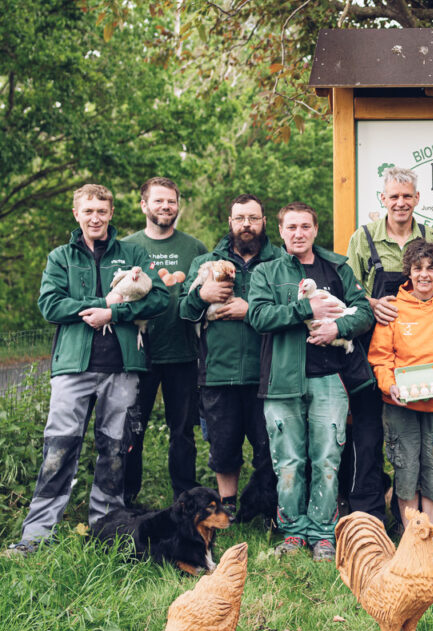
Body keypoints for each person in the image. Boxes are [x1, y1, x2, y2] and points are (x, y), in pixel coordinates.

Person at [4, 184, 169, 557]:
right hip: (72, 368)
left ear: (111, 214)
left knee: (114, 451)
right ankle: (37, 534)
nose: (95, 217)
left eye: (102, 210)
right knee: (58, 447)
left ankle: (106, 529)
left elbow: (159, 297)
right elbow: (50, 305)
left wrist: (115, 313)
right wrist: (100, 303)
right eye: (88, 210)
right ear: (76, 214)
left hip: (123, 367)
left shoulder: (132, 252)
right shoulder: (61, 257)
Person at [248, 202, 374, 560]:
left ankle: (322, 533)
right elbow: (257, 316)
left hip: (330, 378)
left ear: (315, 230)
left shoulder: (337, 267)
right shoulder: (266, 272)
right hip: (281, 381)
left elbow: (363, 311)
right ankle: (291, 531)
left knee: (327, 458)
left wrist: (338, 326)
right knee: (287, 461)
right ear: (282, 231)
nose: (298, 233)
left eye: (305, 227)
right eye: (291, 227)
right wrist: (306, 310)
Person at [345, 167, 433, 522]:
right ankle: (369, 514)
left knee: (431, 453)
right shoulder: (363, 237)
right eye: (393, 196)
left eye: (406, 196)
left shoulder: (431, 235)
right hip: (377, 342)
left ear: (417, 199)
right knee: (374, 440)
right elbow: (349, 291)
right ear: (382, 200)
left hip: (427, 364)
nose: (400, 203)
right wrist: (374, 305)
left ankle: (422, 529)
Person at [179, 193, 282, 521]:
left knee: (269, 445)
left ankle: (266, 504)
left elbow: (292, 309)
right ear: (230, 223)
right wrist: (201, 294)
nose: (247, 225)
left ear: (264, 222)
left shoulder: (280, 261)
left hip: (268, 370)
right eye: (240, 219)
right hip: (218, 371)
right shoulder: (206, 262)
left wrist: (250, 310)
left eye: (253, 218)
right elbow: (184, 310)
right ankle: (230, 504)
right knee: (223, 447)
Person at [367, 240, 433, 546]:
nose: (425, 275)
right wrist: (391, 386)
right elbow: (380, 358)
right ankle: (411, 543)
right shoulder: (394, 307)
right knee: (405, 470)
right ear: (409, 272)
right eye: (418, 268)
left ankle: (429, 542)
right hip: (400, 405)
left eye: (431, 268)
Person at [122, 177, 208, 503]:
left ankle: (184, 501)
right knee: (133, 431)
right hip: (138, 355)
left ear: (178, 205)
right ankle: (127, 500)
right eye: (158, 201)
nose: (165, 207)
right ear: (144, 205)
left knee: (183, 434)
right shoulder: (128, 247)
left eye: (171, 201)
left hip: (184, 354)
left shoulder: (195, 248)